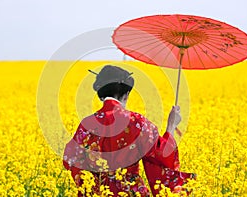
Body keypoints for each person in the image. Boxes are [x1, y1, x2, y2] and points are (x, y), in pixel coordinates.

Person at [63, 65, 195, 196]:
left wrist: (92, 184)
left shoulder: (87, 124)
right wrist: (171, 126)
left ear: (101, 95)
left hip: (96, 193)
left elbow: (70, 160)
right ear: (126, 94)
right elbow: (162, 155)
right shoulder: (136, 122)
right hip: (130, 192)